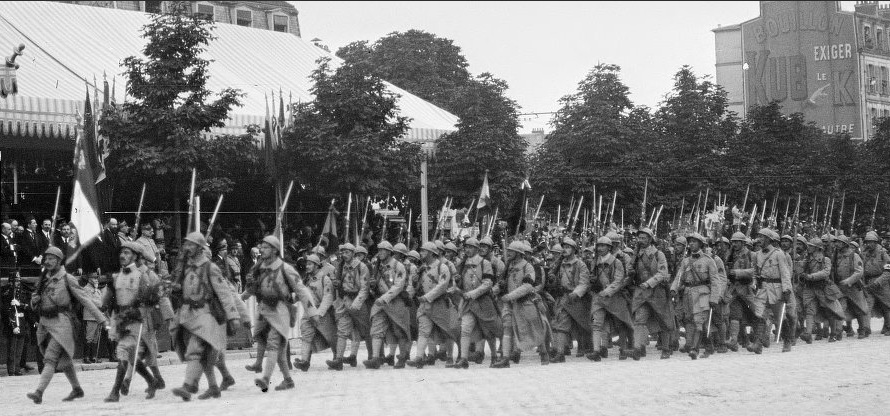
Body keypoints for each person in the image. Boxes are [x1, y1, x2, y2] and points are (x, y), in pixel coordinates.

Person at [25, 247, 108, 404]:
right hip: (45, 323)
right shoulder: (43, 279)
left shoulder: (67, 279)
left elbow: (85, 299)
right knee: (64, 361)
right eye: (46, 258)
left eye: (51, 259)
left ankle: (39, 392)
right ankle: (77, 389)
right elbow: (35, 300)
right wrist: (34, 300)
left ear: (59, 260)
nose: (48, 261)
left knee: (50, 358)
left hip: (62, 323)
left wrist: (101, 319)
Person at [168, 232, 241, 401]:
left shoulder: (210, 267)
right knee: (206, 356)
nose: (187, 248)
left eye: (191, 245)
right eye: (186, 245)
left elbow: (225, 293)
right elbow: (179, 287)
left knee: (195, 350)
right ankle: (214, 387)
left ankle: (188, 386)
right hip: (187, 316)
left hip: (205, 315)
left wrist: (233, 316)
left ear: (200, 248)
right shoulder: (186, 267)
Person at [242, 235, 312, 392]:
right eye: (262, 247)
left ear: (274, 250)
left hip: (280, 311)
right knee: (279, 352)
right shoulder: (260, 268)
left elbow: (301, 289)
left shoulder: (285, 268)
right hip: (264, 311)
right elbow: (255, 287)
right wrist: (243, 296)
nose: (262, 250)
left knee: (273, 343)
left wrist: (312, 311)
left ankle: (266, 378)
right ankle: (288, 380)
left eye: (266, 247)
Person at [102, 241, 162, 402]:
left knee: (123, 351)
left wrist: (139, 313)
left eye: (127, 253)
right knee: (131, 357)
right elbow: (107, 301)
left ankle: (115, 392)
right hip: (119, 319)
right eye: (122, 253)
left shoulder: (142, 276)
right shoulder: (117, 276)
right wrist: (106, 301)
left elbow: (152, 298)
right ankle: (152, 381)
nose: (123, 255)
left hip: (134, 320)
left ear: (135, 256)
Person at [492, 241, 550, 367]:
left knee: (534, 328)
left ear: (518, 253)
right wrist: (494, 290)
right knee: (507, 328)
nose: (509, 253)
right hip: (509, 303)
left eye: (511, 251)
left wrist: (510, 296)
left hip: (525, 302)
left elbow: (528, 286)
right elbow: (501, 282)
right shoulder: (508, 266)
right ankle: (505, 358)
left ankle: (544, 351)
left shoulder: (527, 267)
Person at [449, 237, 501, 368]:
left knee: (488, 332)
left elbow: (488, 283)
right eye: (466, 247)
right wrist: (457, 282)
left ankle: (494, 356)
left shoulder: (485, 263)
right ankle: (464, 359)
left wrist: (473, 294)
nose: (467, 249)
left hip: (483, 302)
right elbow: (460, 283)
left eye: (470, 247)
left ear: (477, 249)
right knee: (465, 329)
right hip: (468, 304)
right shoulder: (462, 264)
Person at [669, 233, 721, 360]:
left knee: (699, 321)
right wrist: (674, 289)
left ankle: (694, 349)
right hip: (688, 293)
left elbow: (715, 281)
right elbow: (679, 277)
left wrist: (714, 298)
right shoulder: (686, 261)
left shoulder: (709, 261)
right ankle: (709, 346)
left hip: (702, 293)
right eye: (690, 242)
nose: (691, 244)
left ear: (701, 244)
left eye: (694, 242)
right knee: (692, 321)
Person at [362, 241, 412, 370]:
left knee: (398, 330)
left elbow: (398, 286)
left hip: (395, 301)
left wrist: (385, 298)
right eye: (379, 250)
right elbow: (372, 284)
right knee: (376, 329)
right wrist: (372, 286)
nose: (380, 253)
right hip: (380, 301)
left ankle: (401, 357)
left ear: (390, 252)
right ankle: (375, 357)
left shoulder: (398, 266)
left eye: (383, 250)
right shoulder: (376, 266)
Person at [406, 242, 455, 369]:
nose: (421, 253)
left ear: (431, 253)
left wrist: (428, 297)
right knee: (423, 331)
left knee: (446, 331)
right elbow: (417, 287)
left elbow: (443, 285)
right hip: (424, 304)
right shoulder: (422, 268)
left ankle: (449, 356)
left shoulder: (442, 267)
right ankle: (419, 357)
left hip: (439, 303)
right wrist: (414, 283)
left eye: (424, 251)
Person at [586, 237, 633, 361]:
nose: (600, 248)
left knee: (620, 323)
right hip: (598, 297)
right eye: (599, 246)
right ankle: (596, 351)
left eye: (603, 246)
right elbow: (592, 277)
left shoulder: (616, 262)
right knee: (596, 324)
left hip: (614, 297)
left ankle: (623, 349)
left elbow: (618, 280)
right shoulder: (594, 262)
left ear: (609, 248)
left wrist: (607, 291)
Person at [630, 228, 673, 360]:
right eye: (639, 238)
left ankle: (666, 348)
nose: (640, 240)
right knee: (639, 320)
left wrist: (649, 283)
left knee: (664, 321)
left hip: (656, 292)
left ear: (650, 239)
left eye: (643, 238)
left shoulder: (658, 254)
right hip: (642, 293)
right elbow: (632, 270)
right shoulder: (636, 255)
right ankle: (638, 348)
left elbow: (662, 273)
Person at [326, 243, 370, 370]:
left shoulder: (362, 267)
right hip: (344, 300)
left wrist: (356, 304)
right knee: (342, 331)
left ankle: (373, 356)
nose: (344, 255)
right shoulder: (341, 266)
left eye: (347, 252)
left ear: (353, 253)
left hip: (358, 302)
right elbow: (340, 284)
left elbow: (364, 288)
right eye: (343, 253)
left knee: (366, 330)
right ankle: (339, 359)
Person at [293, 254, 337, 372]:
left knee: (331, 337)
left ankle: (337, 359)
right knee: (306, 336)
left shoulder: (324, 279)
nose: (307, 266)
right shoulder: (306, 279)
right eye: (307, 264)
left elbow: (328, 297)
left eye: (310, 264)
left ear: (317, 266)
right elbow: (300, 293)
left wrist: (320, 312)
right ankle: (305, 361)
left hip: (322, 312)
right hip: (308, 311)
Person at [550, 237, 590, 363]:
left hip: (576, 299)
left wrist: (576, 293)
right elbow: (557, 280)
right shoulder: (560, 264)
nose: (565, 250)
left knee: (582, 326)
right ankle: (560, 352)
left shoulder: (580, 264)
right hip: (563, 298)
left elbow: (584, 282)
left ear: (574, 250)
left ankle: (586, 346)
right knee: (560, 324)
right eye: (564, 247)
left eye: (568, 247)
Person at [799, 237, 845, 343]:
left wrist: (811, 276)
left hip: (823, 288)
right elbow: (801, 271)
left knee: (829, 311)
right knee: (809, 310)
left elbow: (825, 273)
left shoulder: (825, 260)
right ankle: (808, 334)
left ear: (817, 248)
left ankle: (833, 333)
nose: (808, 248)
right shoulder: (807, 260)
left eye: (811, 246)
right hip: (810, 288)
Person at [725, 232, 758, 351]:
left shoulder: (752, 255)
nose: (734, 244)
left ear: (743, 243)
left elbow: (755, 271)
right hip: (734, 288)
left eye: (737, 242)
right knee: (734, 314)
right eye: (733, 242)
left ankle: (759, 337)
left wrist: (738, 272)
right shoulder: (730, 255)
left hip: (748, 288)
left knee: (757, 312)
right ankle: (734, 340)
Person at [831, 235, 868, 339]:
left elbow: (859, 272)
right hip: (841, 287)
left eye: (838, 242)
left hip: (853, 286)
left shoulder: (854, 256)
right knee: (840, 308)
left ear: (844, 244)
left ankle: (862, 330)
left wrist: (849, 281)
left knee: (859, 308)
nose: (836, 244)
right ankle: (838, 332)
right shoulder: (836, 256)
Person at [861, 231, 890, 334]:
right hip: (868, 283)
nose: (868, 244)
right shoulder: (865, 253)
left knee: (886, 306)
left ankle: (888, 326)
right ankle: (866, 328)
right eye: (867, 242)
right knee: (867, 306)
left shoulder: (883, 253)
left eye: (871, 242)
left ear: (876, 242)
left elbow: (888, 271)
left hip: (881, 283)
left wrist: (878, 282)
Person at [81, 273, 103, 364]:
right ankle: (86, 357)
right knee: (89, 337)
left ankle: (93, 357)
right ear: (89, 279)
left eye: (97, 278)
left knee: (95, 338)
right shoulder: (86, 289)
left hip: (97, 316)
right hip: (90, 316)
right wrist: (100, 304)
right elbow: (90, 301)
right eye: (94, 278)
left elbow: (101, 300)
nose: (96, 280)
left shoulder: (97, 290)